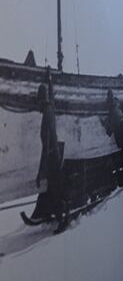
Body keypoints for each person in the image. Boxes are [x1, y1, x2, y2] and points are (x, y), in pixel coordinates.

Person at [31, 80, 68, 233]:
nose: (37, 106)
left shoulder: (46, 114)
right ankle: (44, 212)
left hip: (52, 155)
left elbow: (46, 145)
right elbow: (51, 97)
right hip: (56, 153)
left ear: (41, 100)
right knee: (52, 188)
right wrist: (50, 79)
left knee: (55, 189)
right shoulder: (50, 107)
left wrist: (40, 172)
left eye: (38, 101)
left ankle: (62, 221)